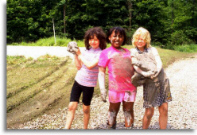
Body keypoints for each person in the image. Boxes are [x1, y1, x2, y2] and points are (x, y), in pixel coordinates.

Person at [130, 27, 172, 129]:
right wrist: (146, 73)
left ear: (146, 40)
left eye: (142, 39)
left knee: (164, 108)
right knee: (149, 111)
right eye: (138, 38)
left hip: (162, 80)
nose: (140, 41)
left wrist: (156, 71)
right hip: (149, 83)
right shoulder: (133, 51)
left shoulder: (153, 49)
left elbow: (159, 62)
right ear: (135, 39)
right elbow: (135, 67)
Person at [65, 27, 107, 129]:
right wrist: (76, 54)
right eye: (91, 39)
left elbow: (89, 65)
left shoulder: (101, 53)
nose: (93, 42)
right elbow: (79, 67)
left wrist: (79, 54)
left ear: (100, 40)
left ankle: (85, 129)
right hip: (78, 81)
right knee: (71, 106)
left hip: (89, 85)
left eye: (95, 39)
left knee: (85, 109)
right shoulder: (85, 50)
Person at [98, 26, 136, 129]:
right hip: (115, 89)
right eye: (114, 36)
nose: (117, 39)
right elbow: (101, 72)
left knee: (128, 111)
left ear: (123, 38)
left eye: (120, 36)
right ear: (109, 37)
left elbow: (136, 68)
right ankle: (110, 127)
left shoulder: (129, 53)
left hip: (130, 88)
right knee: (113, 111)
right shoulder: (105, 53)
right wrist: (102, 89)